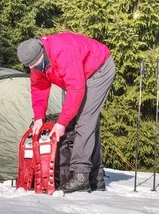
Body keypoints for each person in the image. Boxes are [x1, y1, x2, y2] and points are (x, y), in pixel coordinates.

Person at [16, 32, 116, 194]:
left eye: (38, 66)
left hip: (99, 70)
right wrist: (39, 118)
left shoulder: (63, 52)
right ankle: (95, 176)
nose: (35, 70)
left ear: (43, 52)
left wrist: (62, 123)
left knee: (83, 121)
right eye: (31, 68)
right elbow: (39, 88)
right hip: (79, 75)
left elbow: (76, 89)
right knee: (86, 122)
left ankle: (81, 176)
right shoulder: (37, 62)